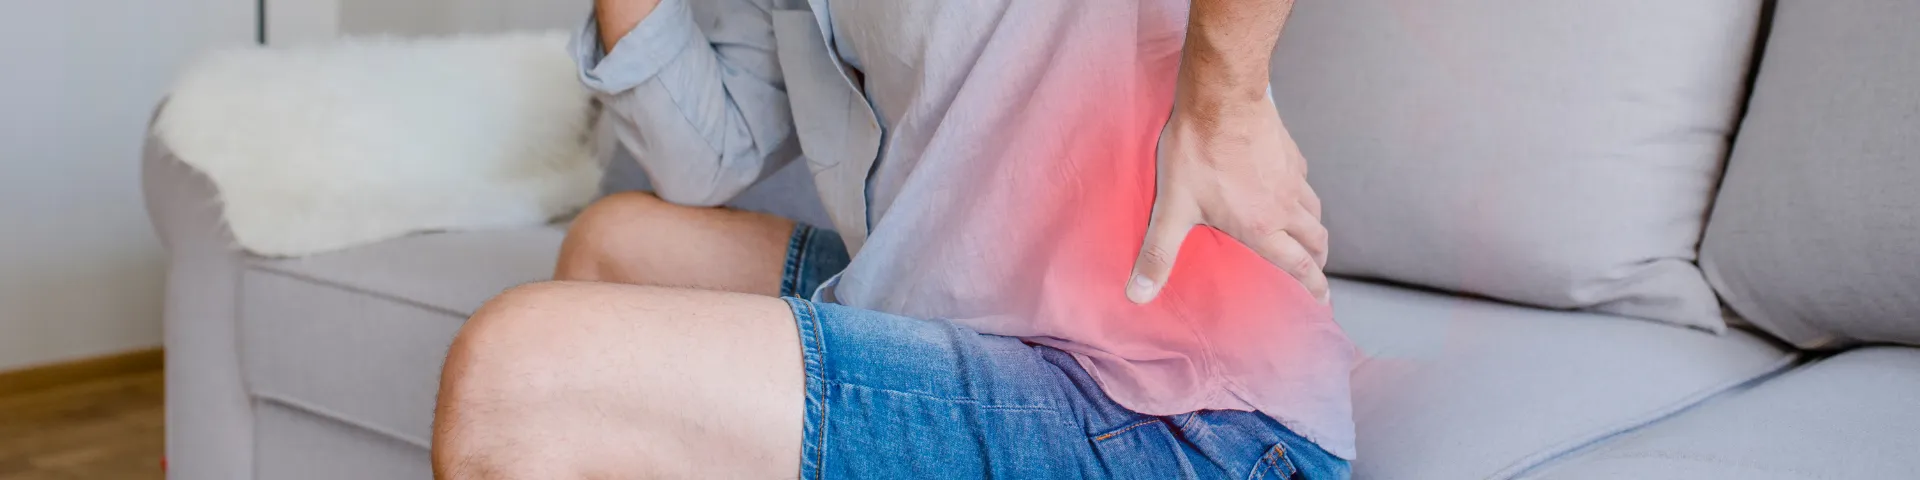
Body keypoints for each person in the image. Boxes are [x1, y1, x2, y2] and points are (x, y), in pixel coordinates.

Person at [430, 0, 1354, 478]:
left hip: (1177, 419)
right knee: (619, 244)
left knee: (514, 373)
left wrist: (1225, 101)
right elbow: (703, 158)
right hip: (961, 314)